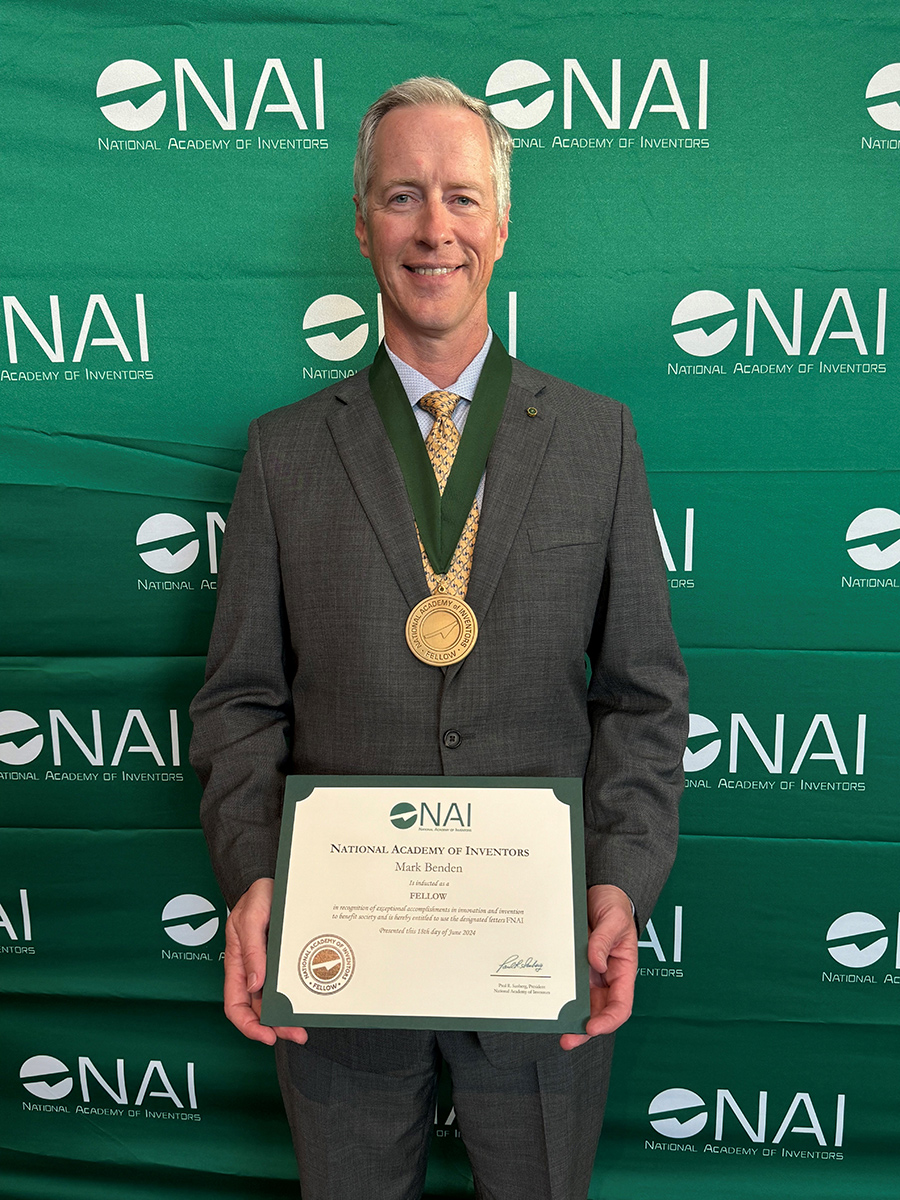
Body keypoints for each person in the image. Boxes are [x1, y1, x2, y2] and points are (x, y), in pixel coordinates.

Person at [190, 76, 688, 1200]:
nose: (434, 229)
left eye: (462, 198)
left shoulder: (599, 442)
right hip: (341, 965)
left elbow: (645, 696)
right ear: (361, 223)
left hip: (543, 955)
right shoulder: (281, 455)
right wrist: (253, 873)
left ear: (501, 226)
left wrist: (619, 886)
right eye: (402, 196)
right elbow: (238, 700)